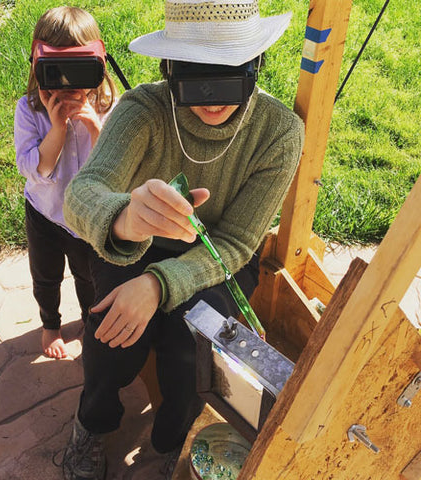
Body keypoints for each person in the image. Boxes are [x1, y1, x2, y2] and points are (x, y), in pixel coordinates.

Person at [61, 0, 304, 478]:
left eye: (231, 74)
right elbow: (82, 193)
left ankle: (176, 437)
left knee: (195, 347)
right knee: (110, 336)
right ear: (169, 68)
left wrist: (156, 285)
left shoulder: (279, 131)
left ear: (256, 65)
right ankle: (92, 423)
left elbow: (237, 244)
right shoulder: (145, 110)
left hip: (218, 258)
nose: (213, 99)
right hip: (136, 240)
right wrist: (126, 219)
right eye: (196, 77)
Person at [14, 6, 117, 359]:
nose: (71, 86)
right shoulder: (29, 110)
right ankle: (51, 325)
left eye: (81, 71)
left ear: (100, 65)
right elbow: (33, 168)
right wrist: (57, 128)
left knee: (90, 278)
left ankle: (91, 322)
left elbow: (115, 166)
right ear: (37, 67)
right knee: (46, 277)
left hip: (87, 220)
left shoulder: (109, 108)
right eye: (57, 72)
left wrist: (94, 127)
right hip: (45, 212)